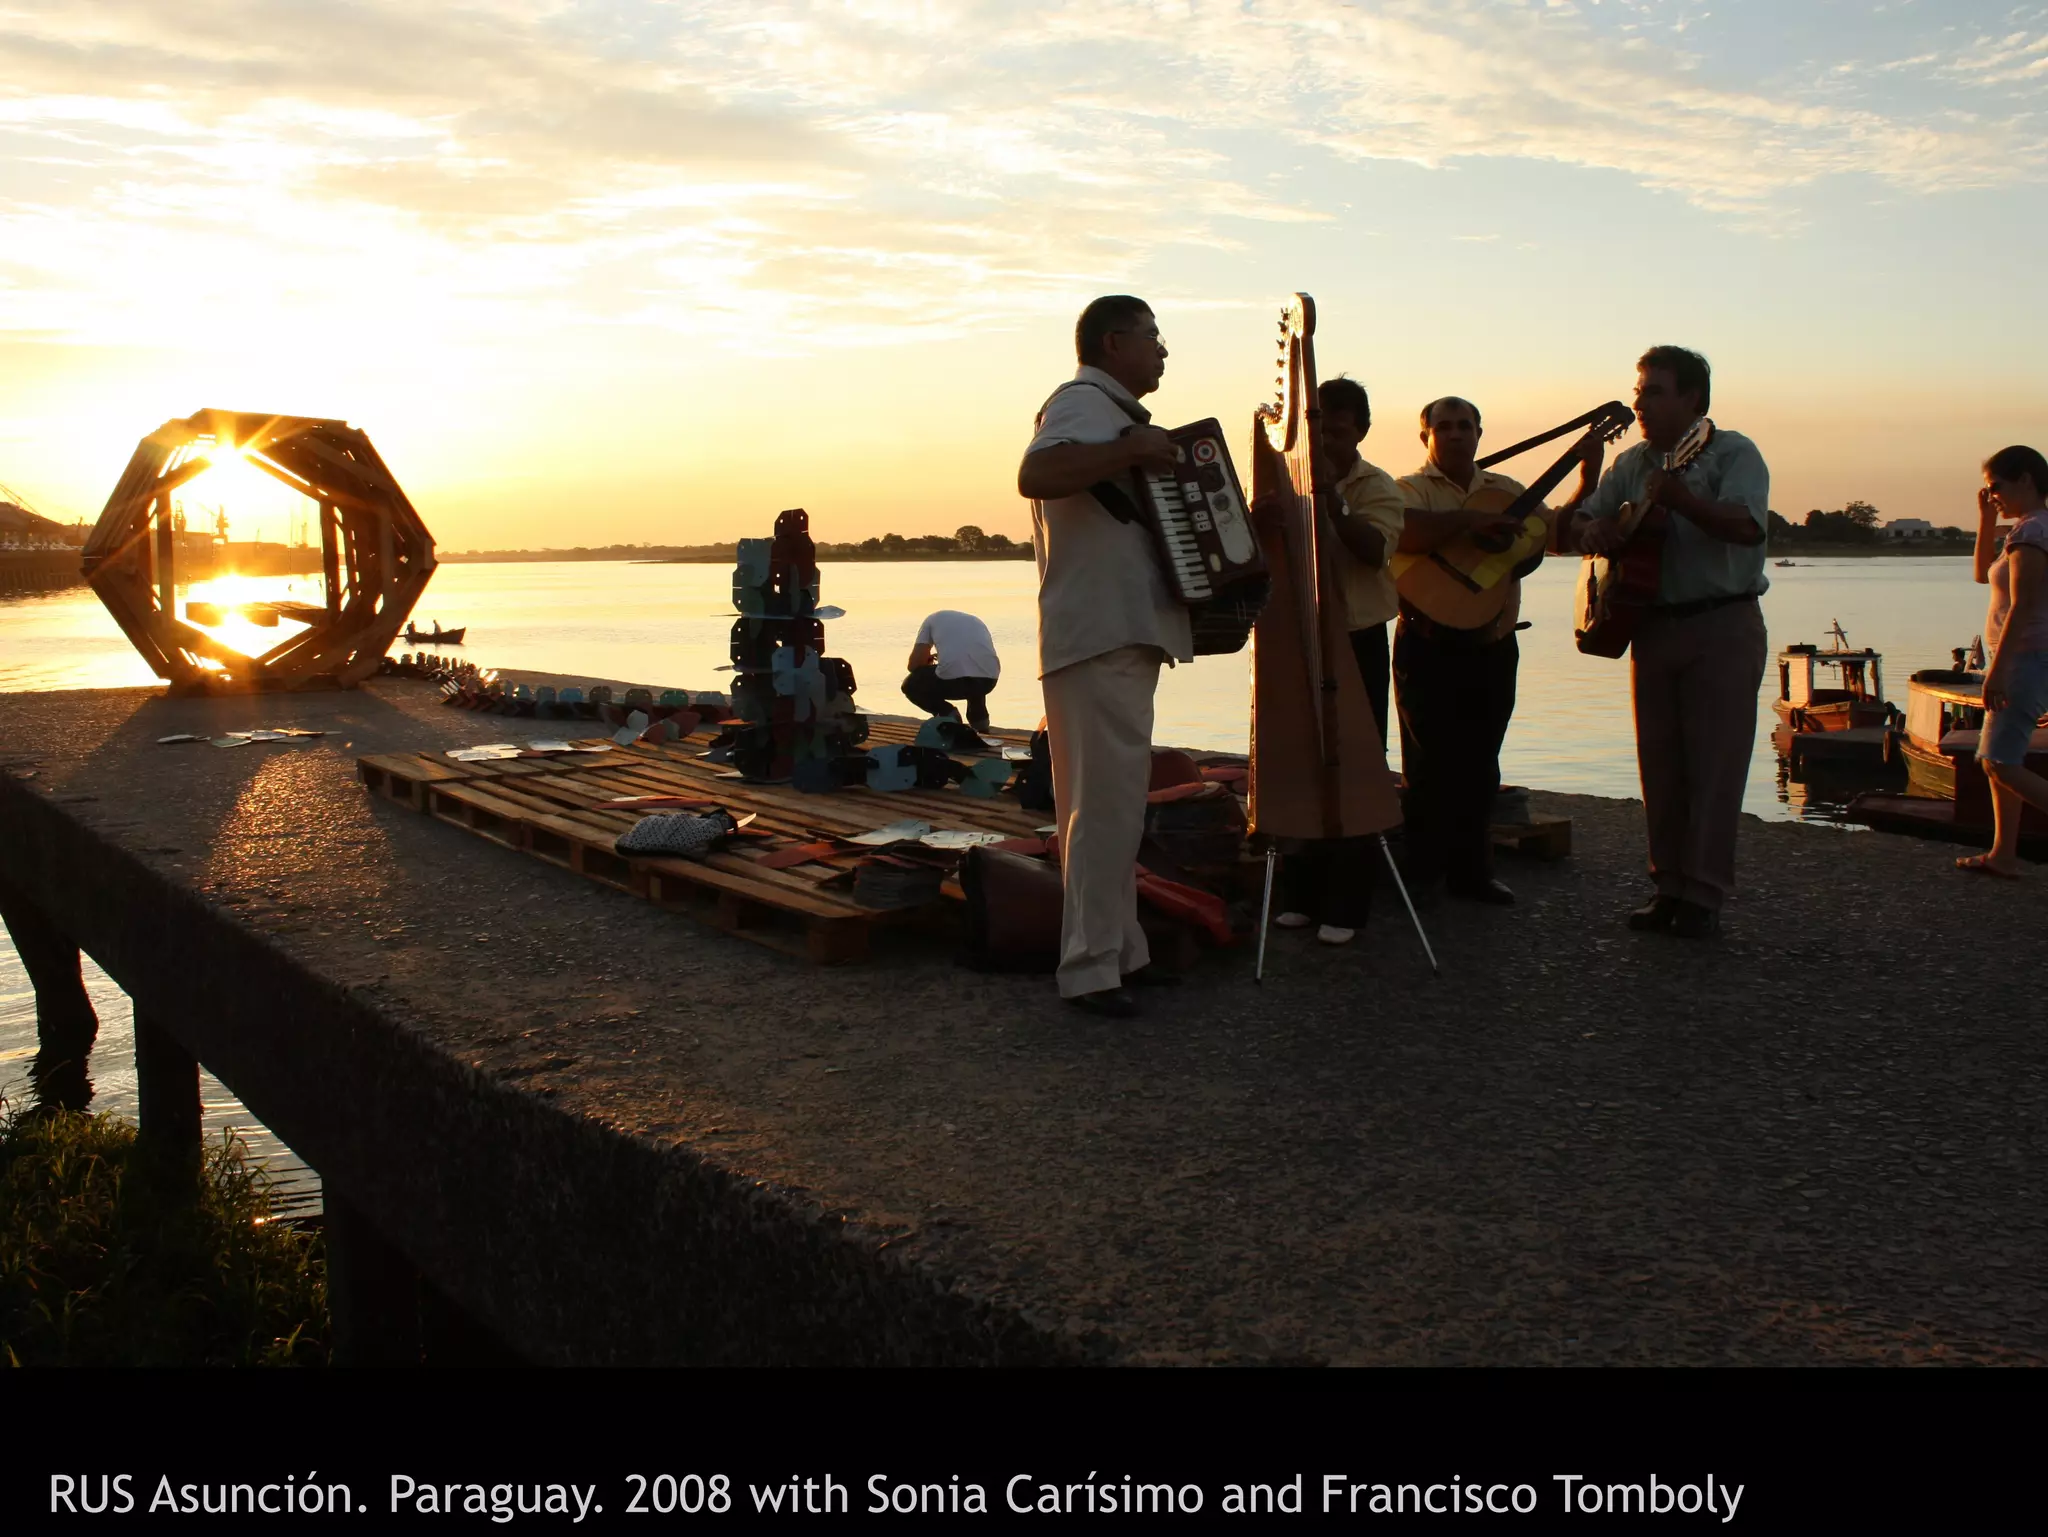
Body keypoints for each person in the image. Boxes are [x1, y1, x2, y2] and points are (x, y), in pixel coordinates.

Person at [1017, 295, 1192, 1018]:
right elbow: (1038, 473)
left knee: (1114, 806)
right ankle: (1090, 969)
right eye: (1153, 336)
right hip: (1098, 635)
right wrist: (1131, 450)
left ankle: (1121, 952)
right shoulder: (1083, 402)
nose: (1163, 349)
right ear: (1115, 342)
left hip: (1111, 634)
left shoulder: (1104, 411)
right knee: (1102, 810)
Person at [1566, 345, 1770, 938]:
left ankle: (1703, 895)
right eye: (1639, 392)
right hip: (1651, 625)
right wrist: (1593, 529)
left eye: (1654, 392)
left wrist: (1685, 502)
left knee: (1715, 766)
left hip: (1721, 623)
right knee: (1659, 764)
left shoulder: (1734, 453)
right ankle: (1668, 886)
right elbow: (1581, 521)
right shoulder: (1631, 462)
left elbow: (1748, 526)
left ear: (1692, 399)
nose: (1640, 403)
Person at [1393, 396, 1590, 906]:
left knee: (1482, 761)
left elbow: (1559, 536)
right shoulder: (1408, 489)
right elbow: (1402, 530)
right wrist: (1468, 524)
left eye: (1465, 425)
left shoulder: (1506, 491)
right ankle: (1423, 871)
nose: (1456, 434)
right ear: (1426, 437)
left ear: (1479, 433)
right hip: (1426, 642)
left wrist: (1586, 480)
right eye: (1444, 426)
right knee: (1427, 762)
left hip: (1493, 642)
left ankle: (1473, 873)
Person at [1271, 375, 1404, 944]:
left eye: (1339, 430)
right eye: (1319, 429)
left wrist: (1331, 496)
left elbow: (1373, 550)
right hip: (1301, 634)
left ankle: (1348, 904)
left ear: (1361, 431)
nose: (1327, 440)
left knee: (1358, 765)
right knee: (1300, 759)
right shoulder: (1286, 476)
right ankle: (1301, 893)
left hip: (1357, 638)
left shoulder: (1379, 486)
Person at [1955, 445, 2048, 878]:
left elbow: (2024, 605)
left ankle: (2003, 855)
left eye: (1996, 487)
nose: (1991, 495)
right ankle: (2003, 854)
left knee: (1998, 761)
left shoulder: (2032, 533)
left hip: (2023, 657)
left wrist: (1997, 670)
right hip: (2023, 656)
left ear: (2026, 480)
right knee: (2002, 759)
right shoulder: (2028, 530)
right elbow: (1982, 574)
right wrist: (1987, 520)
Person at [901, 609, 1000, 729]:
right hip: (989, 679)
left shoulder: (930, 621)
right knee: (973, 673)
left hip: (956, 681)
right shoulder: (976, 621)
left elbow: (913, 665)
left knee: (911, 684)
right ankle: (980, 722)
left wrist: (927, 661)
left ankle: (947, 714)